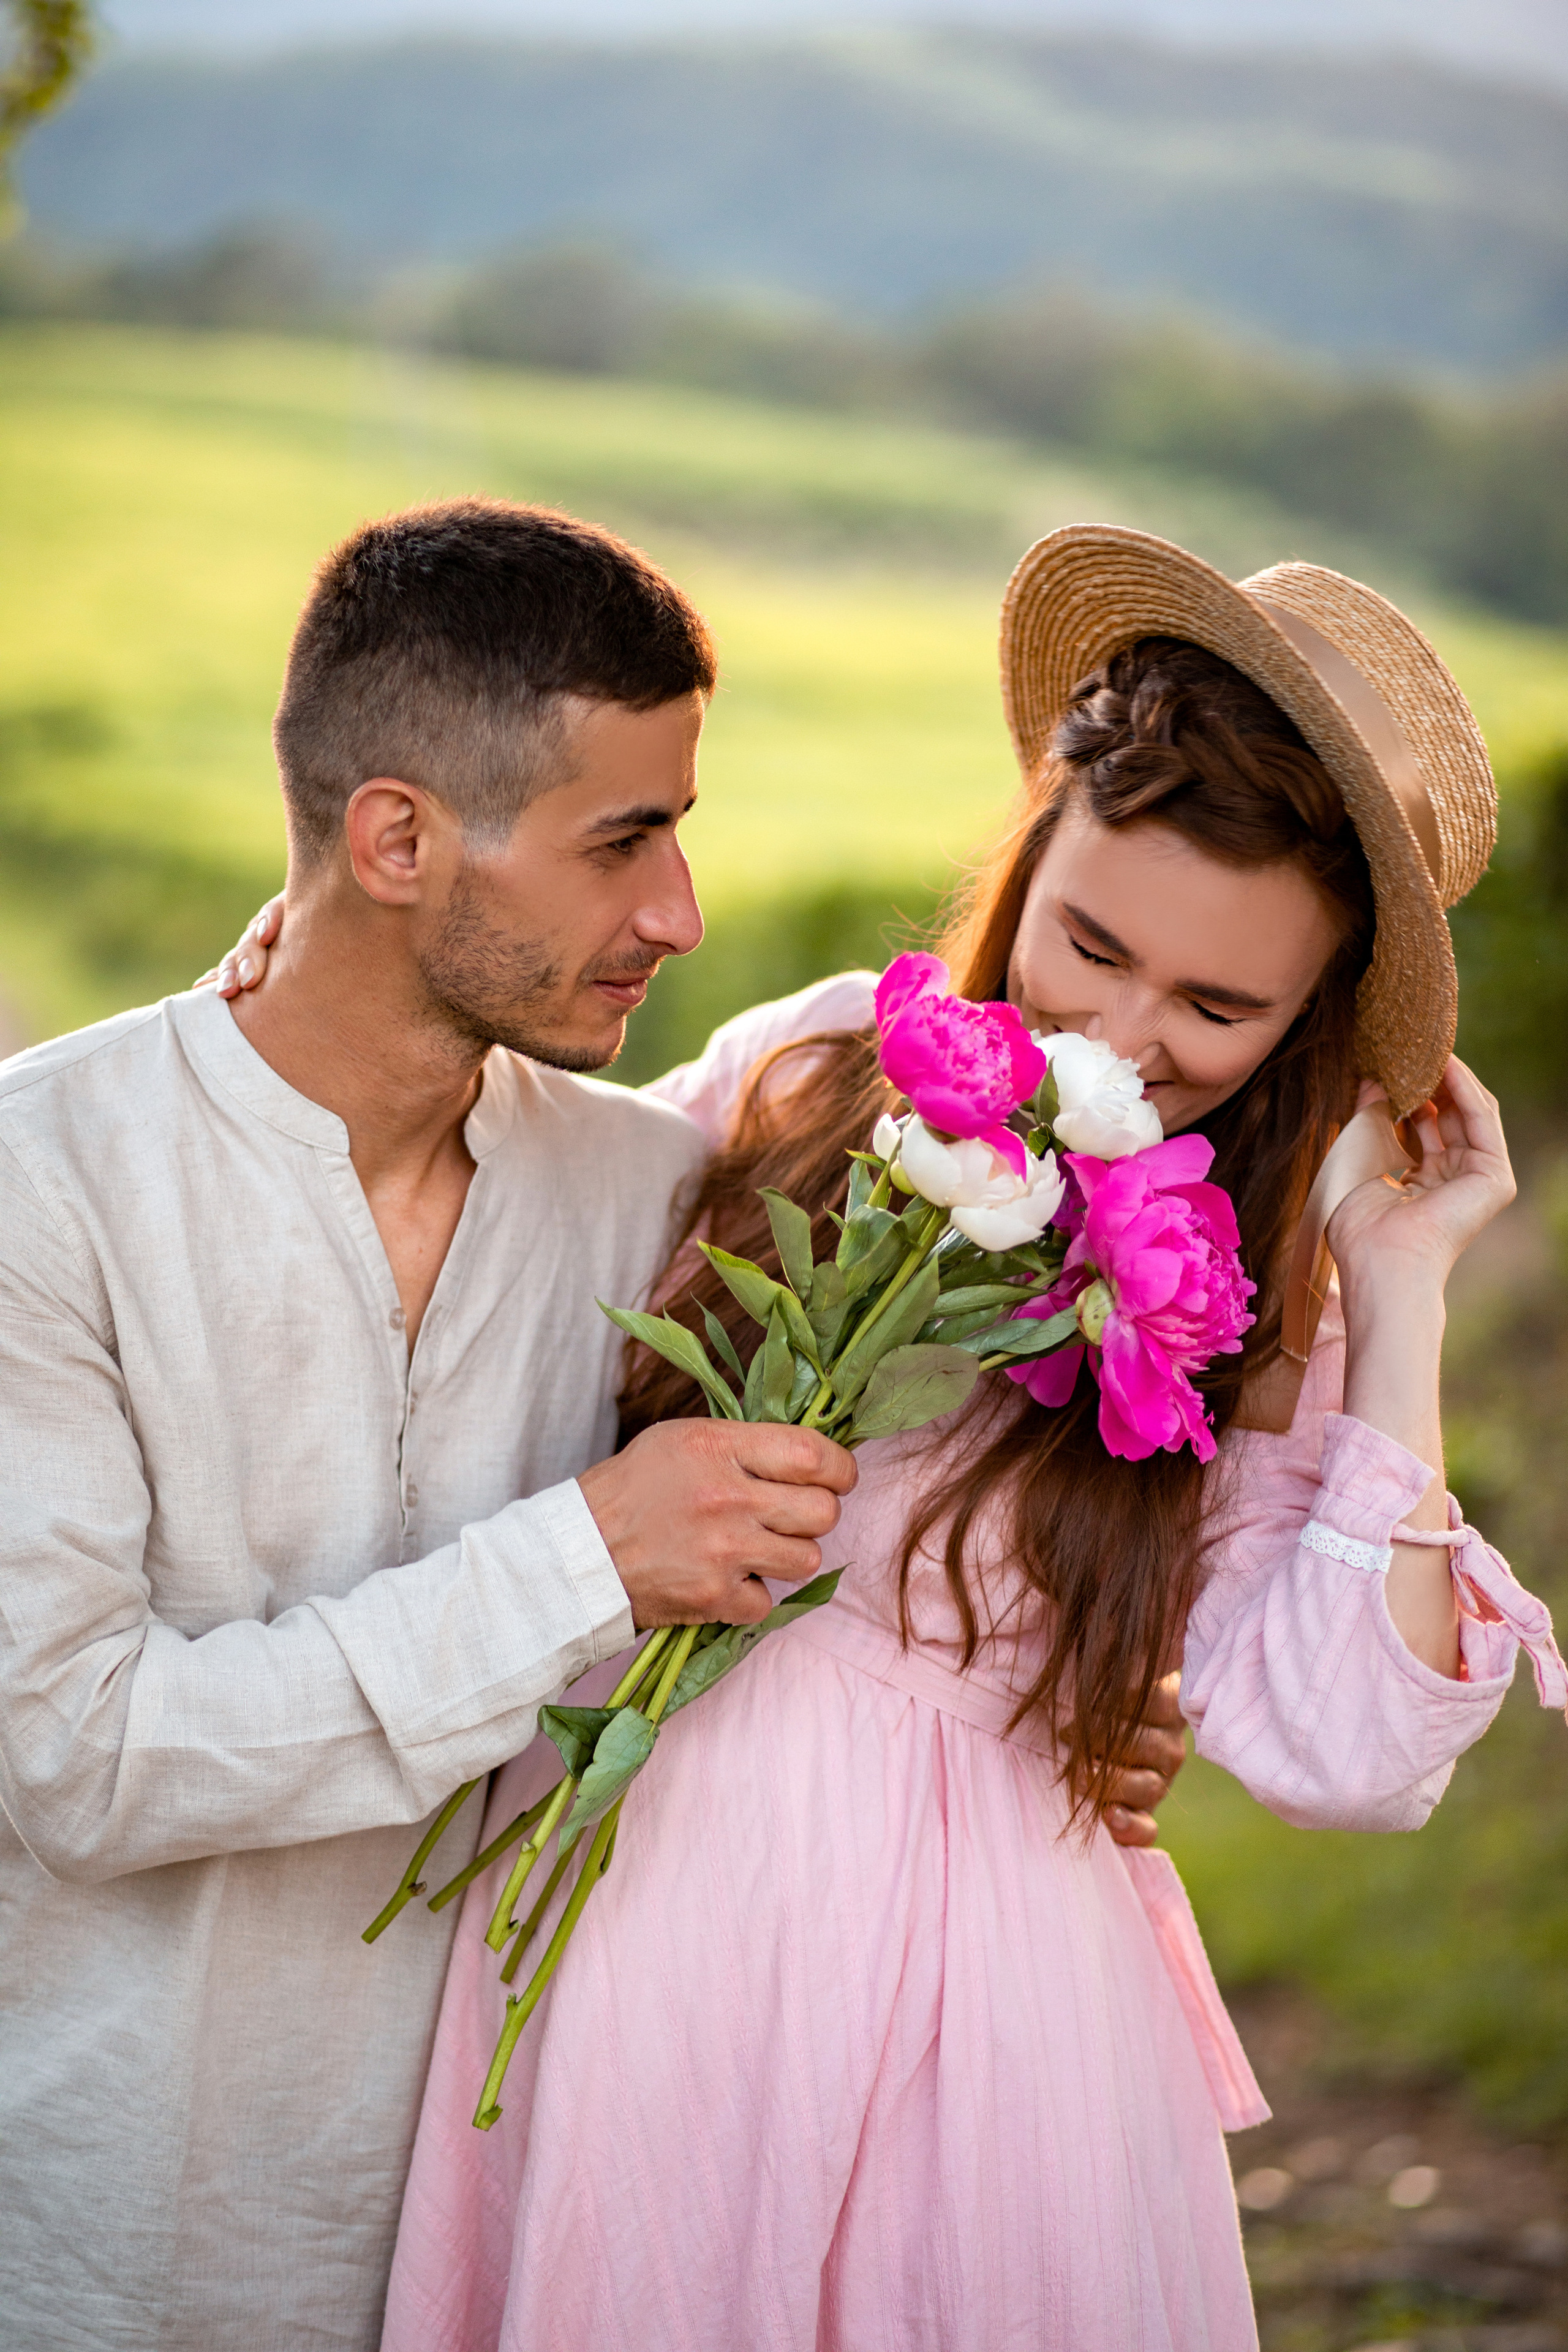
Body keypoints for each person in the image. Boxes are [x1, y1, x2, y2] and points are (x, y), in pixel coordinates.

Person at [357, 527, 1561, 2351]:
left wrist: (1395, 1293)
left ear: (1310, 1016)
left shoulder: (1250, 1297)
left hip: (983, 1997)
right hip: (656, 1901)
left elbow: (1349, 1749)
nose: (1125, 1036)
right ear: (1031, 855)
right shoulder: (821, 1069)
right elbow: (499, 1274)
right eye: (1091, 942)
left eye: (1220, 1010)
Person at [0, 499, 868, 2352]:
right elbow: (80, 1759)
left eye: (680, 837)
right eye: (622, 843)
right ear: (395, 837)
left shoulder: (658, 1192)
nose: (678, 917)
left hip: (539, 2246)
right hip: (104, 2252)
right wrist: (584, 1564)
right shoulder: (40, 1187)